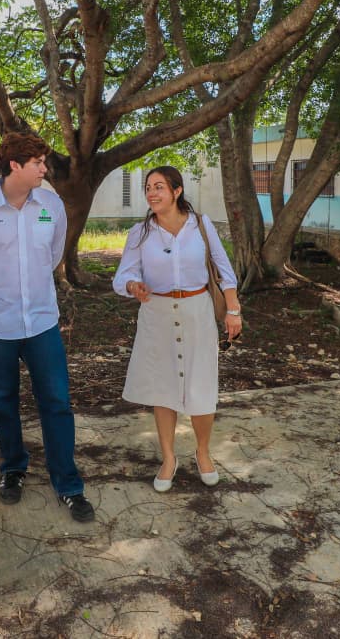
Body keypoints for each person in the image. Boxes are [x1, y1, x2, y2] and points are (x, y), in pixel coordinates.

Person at [0, 133, 95, 522]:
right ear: (15, 165)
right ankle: (13, 468)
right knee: (3, 399)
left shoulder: (50, 205)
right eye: (38, 163)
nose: (45, 169)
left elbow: (52, 256)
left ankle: (67, 483)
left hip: (41, 321)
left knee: (57, 401)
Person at [111, 166, 242, 492]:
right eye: (148, 188)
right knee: (163, 388)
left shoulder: (201, 225)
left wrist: (233, 311)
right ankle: (168, 458)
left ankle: (202, 452)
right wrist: (132, 285)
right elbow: (120, 277)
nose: (152, 193)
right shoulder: (139, 233)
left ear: (177, 191)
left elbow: (225, 272)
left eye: (159, 187)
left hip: (197, 312)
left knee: (201, 386)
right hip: (157, 316)